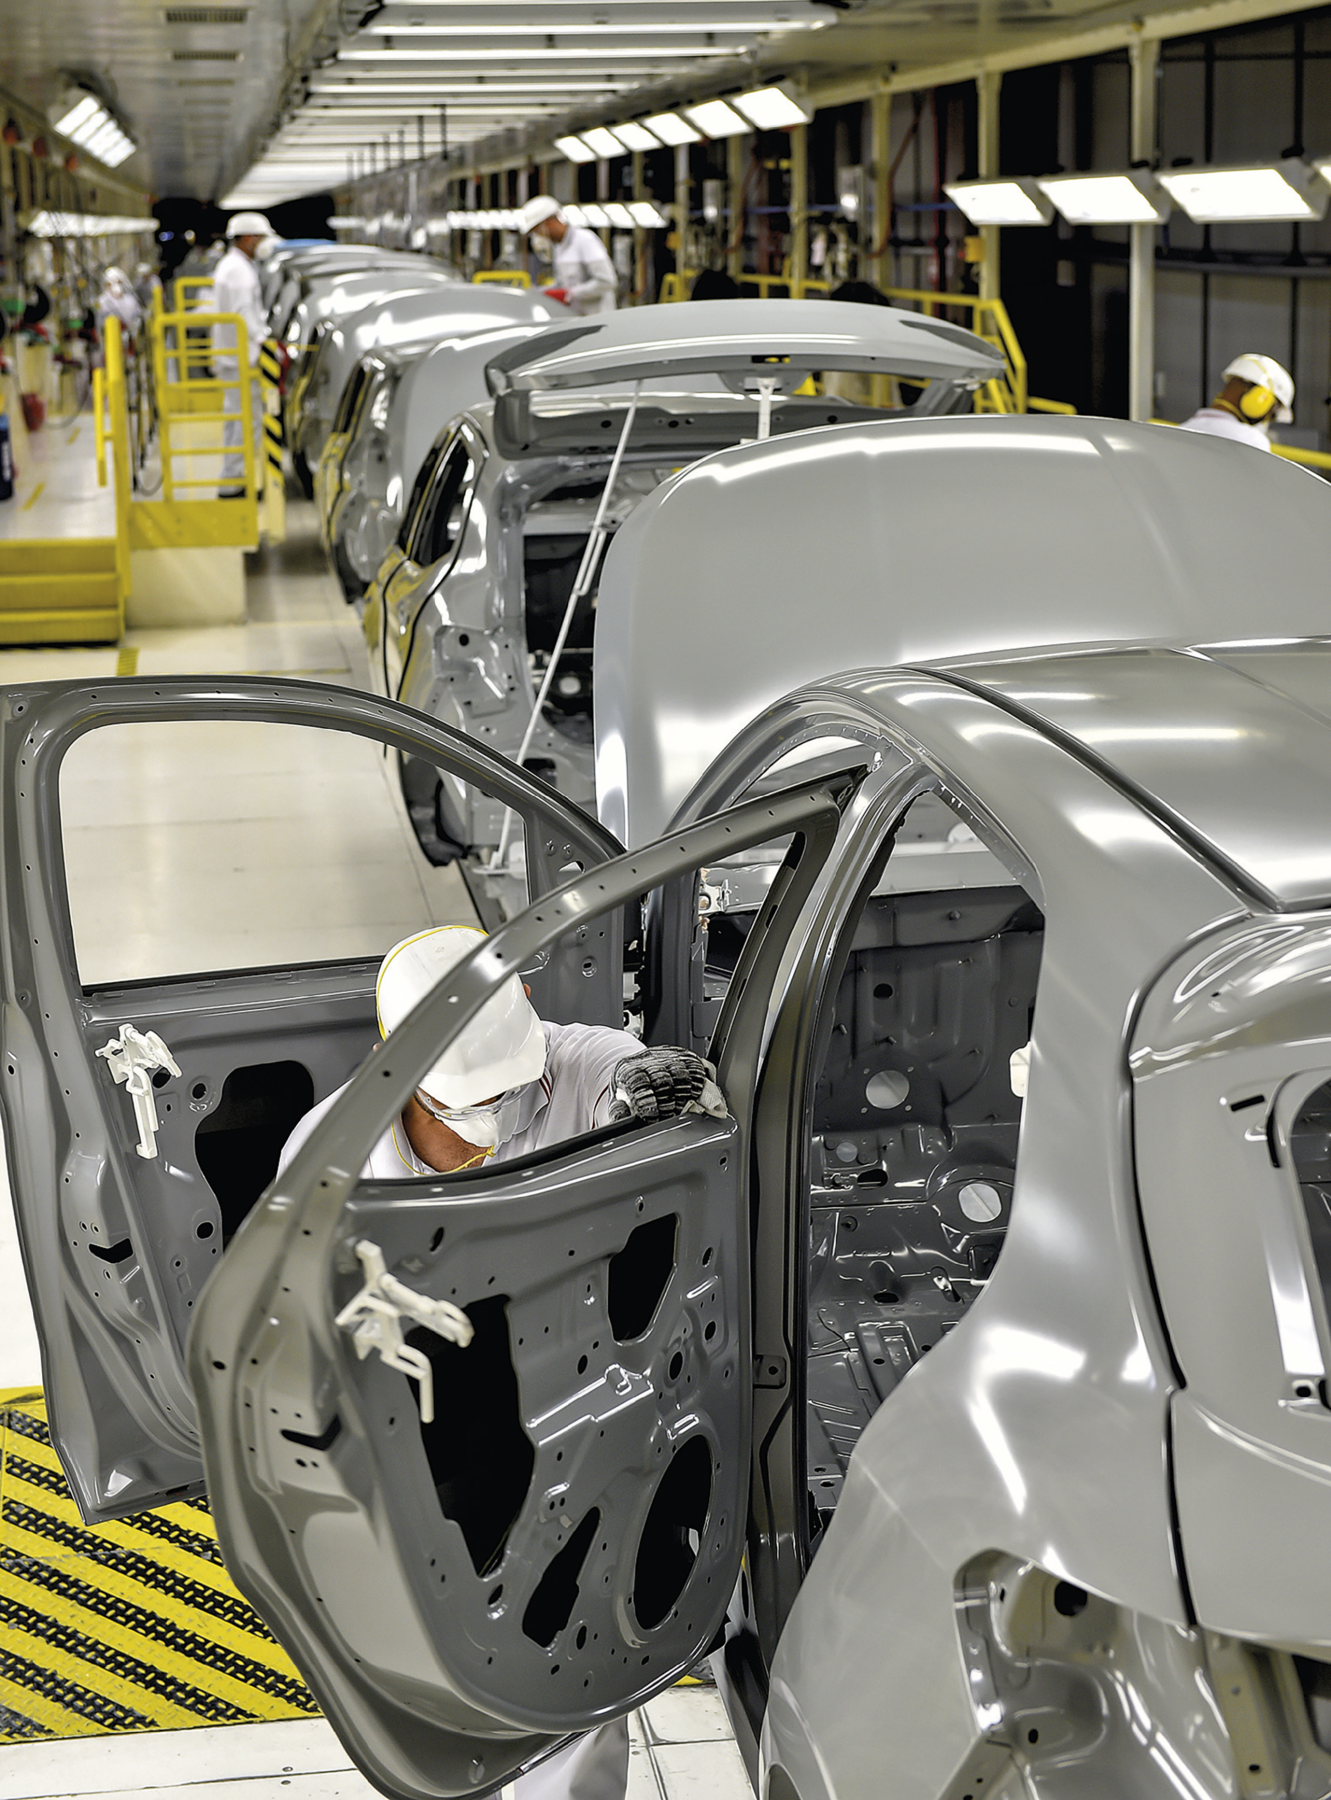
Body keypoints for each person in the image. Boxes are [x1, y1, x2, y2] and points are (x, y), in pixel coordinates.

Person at [276, 923, 724, 1800]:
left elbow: (657, 1089)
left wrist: (670, 1089)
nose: (497, 1107)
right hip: (438, 1411)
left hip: (575, 1384)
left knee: (576, 1627)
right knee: (450, 1647)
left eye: (512, 1086)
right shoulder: (331, 1149)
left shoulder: (579, 1061)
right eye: (462, 1101)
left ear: (525, 1005)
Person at [212, 210, 271, 498]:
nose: (262, 243)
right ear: (248, 238)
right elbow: (243, 312)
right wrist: (263, 340)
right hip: (239, 358)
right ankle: (233, 482)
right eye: (260, 237)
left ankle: (234, 477)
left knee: (236, 418)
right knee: (246, 420)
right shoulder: (238, 270)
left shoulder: (233, 265)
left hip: (232, 356)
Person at [519, 196, 617, 315]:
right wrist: (539, 293)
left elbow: (606, 281)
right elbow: (562, 284)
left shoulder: (584, 239)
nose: (538, 236)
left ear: (548, 223)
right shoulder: (558, 247)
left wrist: (570, 294)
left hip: (598, 317)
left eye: (537, 231)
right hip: (575, 317)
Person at [1179, 353, 1294, 451]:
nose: (1267, 419)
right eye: (1272, 411)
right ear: (1260, 398)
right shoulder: (1252, 441)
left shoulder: (1180, 431)